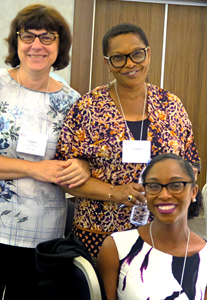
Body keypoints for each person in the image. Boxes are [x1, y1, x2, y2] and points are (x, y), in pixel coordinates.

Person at [56, 23, 201, 261]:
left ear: (148, 53)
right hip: (98, 235)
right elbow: (63, 177)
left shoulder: (171, 105)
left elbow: (191, 163)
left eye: (136, 54)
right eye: (118, 58)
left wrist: (171, 187)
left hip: (161, 234)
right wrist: (115, 192)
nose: (130, 64)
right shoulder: (87, 107)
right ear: (107, 63)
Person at [0, 4, 90, 300]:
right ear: (16, 41)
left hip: (43, 236)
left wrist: (82, 166)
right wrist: (33, 168)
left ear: (60, 46)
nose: (37, 45)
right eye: (28, 36)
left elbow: (79, 157)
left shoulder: (73, 100)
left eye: (47, 37)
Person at [97, 153, 207, 300]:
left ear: (193, 192)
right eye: (154, 186)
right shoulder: (117, 247)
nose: (164, 195)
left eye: (175, 185)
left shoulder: (204, 255)